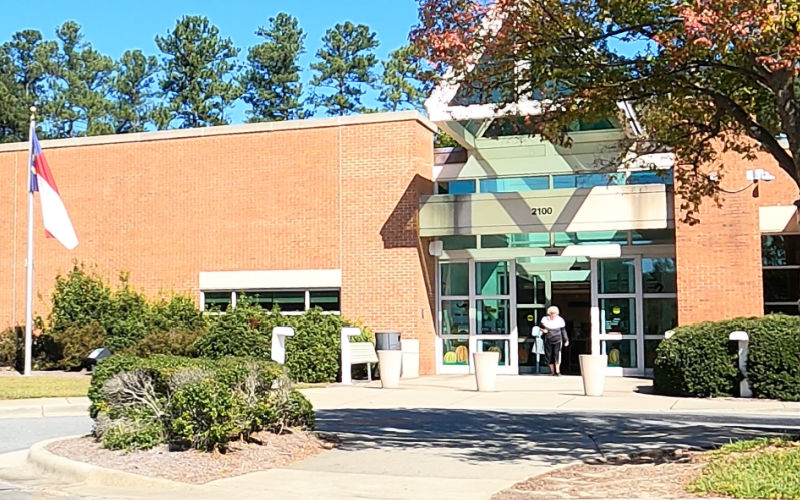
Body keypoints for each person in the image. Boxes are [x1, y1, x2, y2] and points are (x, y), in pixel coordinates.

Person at [540, 306, 569, 376]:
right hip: (548, 339)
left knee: (557, 355)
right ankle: (552, 371)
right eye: (551, 313)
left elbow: (563, 331)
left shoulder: (560, 320)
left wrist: (566, 340)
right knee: (549, 355)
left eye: (554, 314)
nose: (552, 315)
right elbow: (540, 328)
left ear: (557, 314)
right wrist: (543, 330)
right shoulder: (544, 320)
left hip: (558, 340)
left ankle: (558, 371)